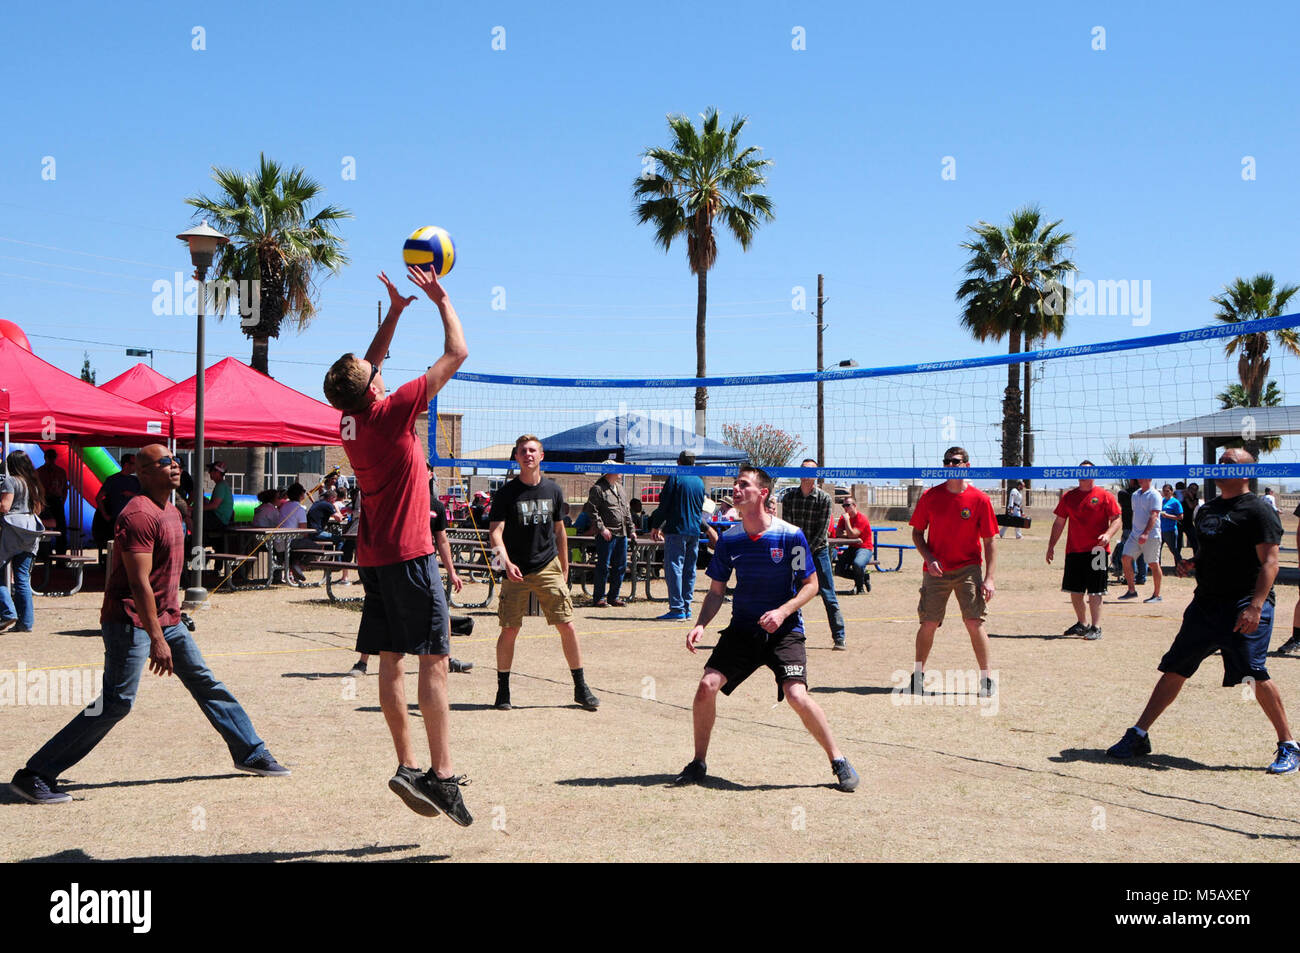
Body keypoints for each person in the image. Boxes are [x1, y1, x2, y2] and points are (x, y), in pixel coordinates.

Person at [8, 444, 290, 804]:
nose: (174, 466)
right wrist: (156, 637)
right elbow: (139, 582)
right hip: (132, 620)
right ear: (143, 472)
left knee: (205, 682)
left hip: (165, 619)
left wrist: (172, 618)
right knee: (116, 703)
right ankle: (35, 773)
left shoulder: (172, 510)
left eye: (174, 461)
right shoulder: (138, 515)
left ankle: (250, 752)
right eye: (163, 463)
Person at [321, 266, 472, 826]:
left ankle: (407, 764)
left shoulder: (350, 421)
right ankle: (443, 775)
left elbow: (365, 370)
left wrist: (394, 314)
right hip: (410, 556)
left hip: (376, 560)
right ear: (374, 389)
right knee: (435, 657)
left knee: (391, 658)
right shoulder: (388, 413)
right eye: (374, 373)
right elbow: (457, 351)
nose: (378, 369)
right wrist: (441, 298)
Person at [1106, 448, 1300, 774]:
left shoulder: (1259, 511)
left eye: (1229, 463)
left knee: (1251, 671)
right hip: (1206, 602)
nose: (1220, 466)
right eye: (1219, 462)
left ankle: (1289, 744)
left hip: (1245, 602)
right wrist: (1191, 563)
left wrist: (1255, 606)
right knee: (1176, 667)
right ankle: (1139, 735)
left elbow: (1270, 562)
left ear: (1246, 473)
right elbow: (1211, 553)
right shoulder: (1206, 510)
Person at [673, 466, 859, 793]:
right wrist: (700, 624)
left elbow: (811, 585)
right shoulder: (730, 539)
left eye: (743, 484)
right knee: (706, 685)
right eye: (735, 484)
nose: (736, 488)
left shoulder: (790, 535)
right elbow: (717, 592)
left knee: (796, 695)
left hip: (784, 630)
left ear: (763, 494)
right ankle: (698, 762)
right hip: (743, 630)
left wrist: (782, 611)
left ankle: (839, 760)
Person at [489, 435, 598, 712]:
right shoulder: (506, 493)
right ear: (516, 456)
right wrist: (504, 560)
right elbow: (495, 532)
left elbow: (560, 530)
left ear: (541, 455)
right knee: (510, 628)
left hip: (547, 564)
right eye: (523, 451)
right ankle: (503, 690)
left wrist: (565, 564)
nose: (528, 454)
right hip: (516, 568)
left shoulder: (553, 489)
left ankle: (580, 687)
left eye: (532, 450)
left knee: (567, 625)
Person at [347, 482, 473, 678]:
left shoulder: (436, 506)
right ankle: (362, 662)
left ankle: (447, 659)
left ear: (429, 476)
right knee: (380, 610)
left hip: (424, 566)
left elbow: (442, 540)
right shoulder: (398, 503)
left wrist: (452, 572)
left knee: (441, 612)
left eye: (424, 471)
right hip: (397, 564)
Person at [906, 447, 998, 697]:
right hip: (936, 570)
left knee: (974, 621)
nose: (950, 465)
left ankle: (987, 679)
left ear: (967, 466)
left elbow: (990, 541)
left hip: (968, 568)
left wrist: (989, 578)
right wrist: (929, 557)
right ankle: (918, 676)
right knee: (928, 622)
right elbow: (917, 533)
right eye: (946, 462)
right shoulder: (930, 496)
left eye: (955, 462)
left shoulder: (980, 499)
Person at [1045, 461, 1122, 640]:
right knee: (1075, 591)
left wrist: (1108, 535)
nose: (1082, 474)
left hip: (1098, 551)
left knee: (1096, 590)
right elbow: (1059, 523)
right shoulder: (1069, 497)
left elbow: (1117, 519)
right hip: (1074, 551)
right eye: (1080, 471)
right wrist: (1051, 546)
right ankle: (1082, 623)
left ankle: (1096, 627)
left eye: (1086, 471)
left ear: (1094, 474)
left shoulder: (1105, 496)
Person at [780, 459, 847, 649]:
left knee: (828, 593)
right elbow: (789, 527)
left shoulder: (824, 498)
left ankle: (839, 636)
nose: (805, 473)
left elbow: (823, 530)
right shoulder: (790, 497)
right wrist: (797, 551)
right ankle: (787, 634)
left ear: (817, 475)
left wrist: (807, 551)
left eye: (810, 470)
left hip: (818, 551)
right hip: (796, 552)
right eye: (802, 469)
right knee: (790, 592)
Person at [648, 450, 706, 621]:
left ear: (678, 462)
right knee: (689, 570)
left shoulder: (676, 477)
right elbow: (698, 507)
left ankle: (677, 608)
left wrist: (655, 525)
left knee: (674, 568)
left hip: (677, 530)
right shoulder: (699, 481)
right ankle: (686, 608)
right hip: (694, 531)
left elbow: (664, 504)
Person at [0, 450, 46, 634]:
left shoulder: (11, 481)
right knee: (22, 577)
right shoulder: (33, 483)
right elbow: (38, 508)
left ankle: (7, 611)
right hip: (30, 530)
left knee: (1, 573)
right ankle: (26, 623)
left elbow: (5, 506)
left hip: (12, 530)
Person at [584, 471, 637, 608]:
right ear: (609, 472)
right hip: (607, 534)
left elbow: (626, 510)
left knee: (620, 566)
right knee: (603, 566)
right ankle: (599, 598)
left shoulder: (620, 488)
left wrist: (631, 530)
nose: (620, 472)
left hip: (622, 533)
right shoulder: (598, 488)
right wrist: (602, 529)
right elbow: (592, 510)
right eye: (617, 470)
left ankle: (614, 596)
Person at [1119, 477, 1163, 602]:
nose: (1140, 479)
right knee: (1125, 558)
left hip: (1151, 535)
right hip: (1135, 534)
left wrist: (1145, 533)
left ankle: (1156, 595)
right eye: (1139, 477)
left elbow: (1154, 515)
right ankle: (1131, 590)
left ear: (1149, 478)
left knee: (1153, 563)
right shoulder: (1135, 495)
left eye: (1143, 477)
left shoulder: (1155, 495)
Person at [835, 495, 874, 595]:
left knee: (858, 564)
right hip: (853, 547)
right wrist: (849, 534)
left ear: (854, 505)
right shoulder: (843, 518)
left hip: (865, 548)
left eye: (847, 505)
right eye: (843, 506)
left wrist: (847, 521)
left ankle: (860, 588)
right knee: (838, 569)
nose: (845, 508)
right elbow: (838, 534)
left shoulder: (861, 518)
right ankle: (864, 577)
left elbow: (852, 535)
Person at [1112, 479, 1148, 585]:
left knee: (1128, 552)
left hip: (1129, 527)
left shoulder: (1124, 493)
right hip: (1141, 527)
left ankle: (1131, 577)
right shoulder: (1144, 494)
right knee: (1141, 553)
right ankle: (1141, 576)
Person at [36, 447, 69, 554]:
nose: (51, 460)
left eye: (53, 457)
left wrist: (62, 502)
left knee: (61, 529)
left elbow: (65, 490)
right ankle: (44, 553)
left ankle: (61, 555)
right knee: (43, 528)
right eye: (49, 457)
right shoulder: (39, 472)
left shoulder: (60, 472)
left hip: (56, 501)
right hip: (44, 501)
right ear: (45, 458)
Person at [202, 461, 234, 543]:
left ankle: (198, 542)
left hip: (219, 519)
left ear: (217, 472)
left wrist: (196, 509)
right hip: (221, 518)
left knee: (192, 516)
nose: (209, 473)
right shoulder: (222, 485)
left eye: (211, 470)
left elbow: (214, 506)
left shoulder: (220, 486)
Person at [1159, 483, 1183, 566]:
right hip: (1160, 530)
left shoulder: (1175, 502)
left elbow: (1180, 517)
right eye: (1164, 491)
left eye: (1167, 491)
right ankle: (1157, 567)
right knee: (1157, 550)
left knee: (1174, 550)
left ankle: (1181, 566)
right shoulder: (1161, 501)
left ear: (1172, 491)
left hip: (1170, 530)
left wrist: (1167, 516)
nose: (1165, 493)